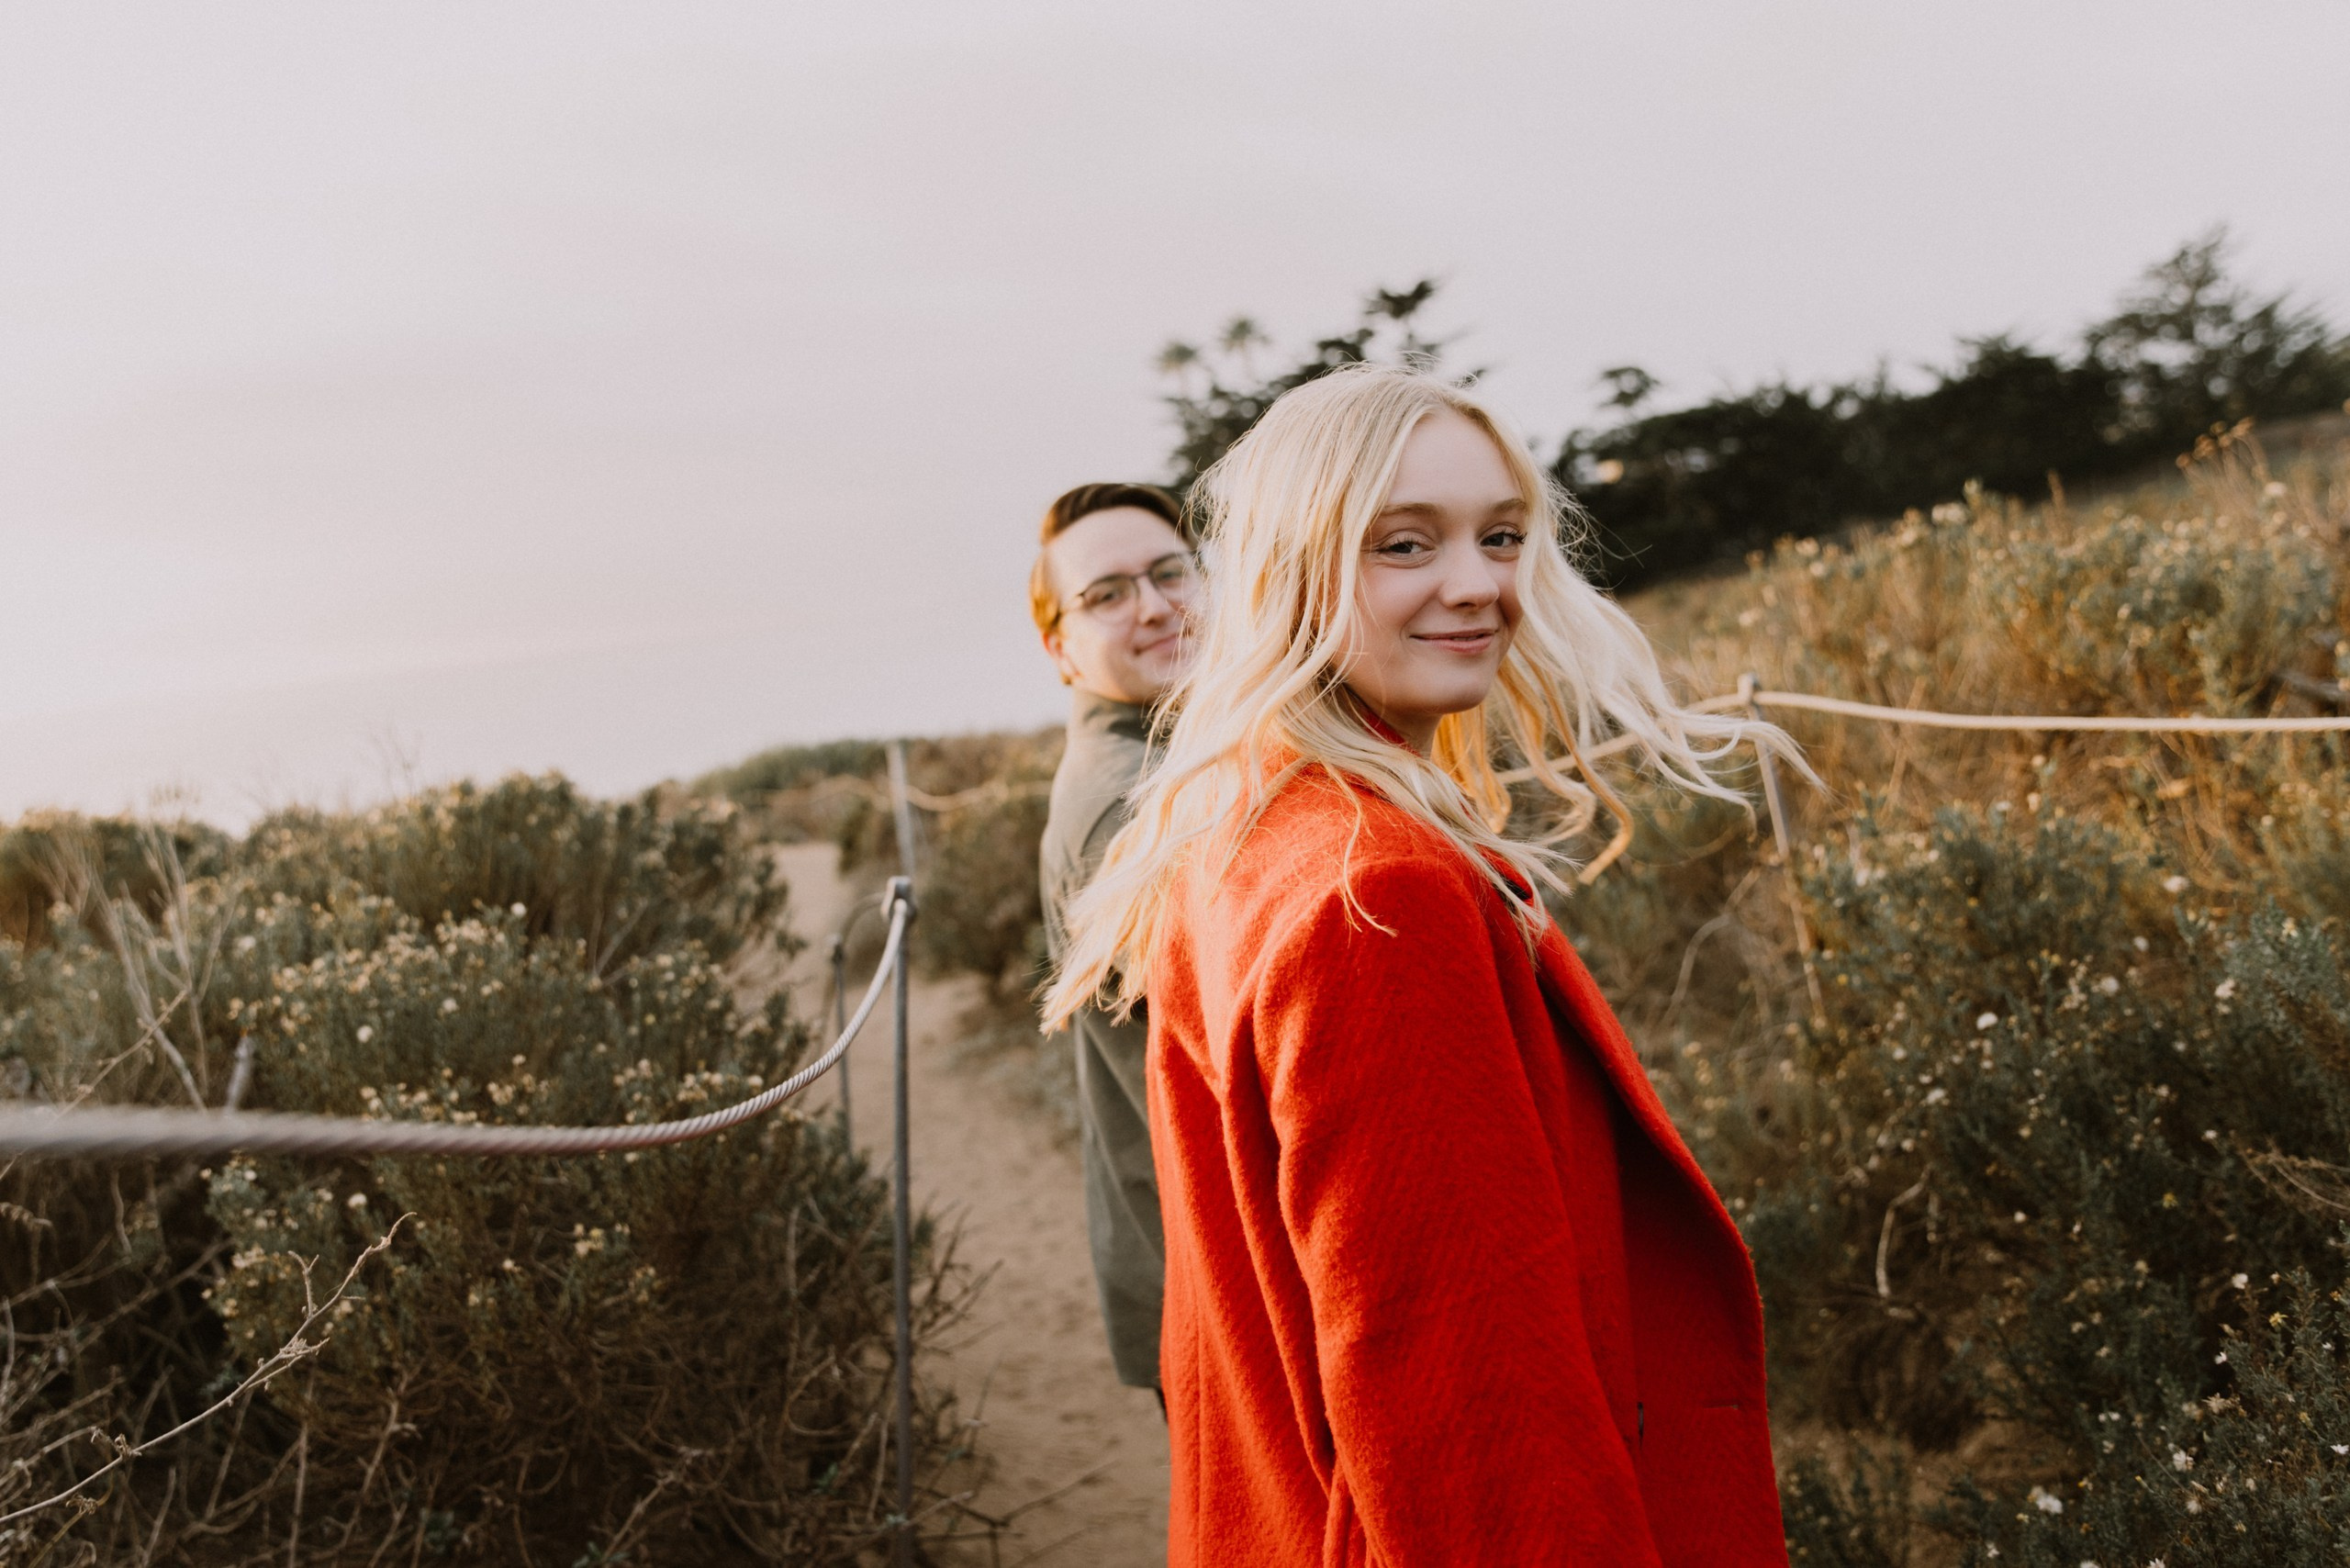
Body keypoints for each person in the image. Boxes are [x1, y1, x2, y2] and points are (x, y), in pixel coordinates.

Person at [1045, 367, 1799, 1566]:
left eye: (1501, 535)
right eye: (1403, 544)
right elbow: (1474, 1440)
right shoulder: (1371, 899)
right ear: (1290, 570)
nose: (1479, 583)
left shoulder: (1237, 817)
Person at [1031, 480, 1196, 1394]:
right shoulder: (1132, 806)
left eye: (1171, 571)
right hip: (1212, 1278)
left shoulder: (1186, 754)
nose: (1156, 605)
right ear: (1059, 647)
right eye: (1107, 594)